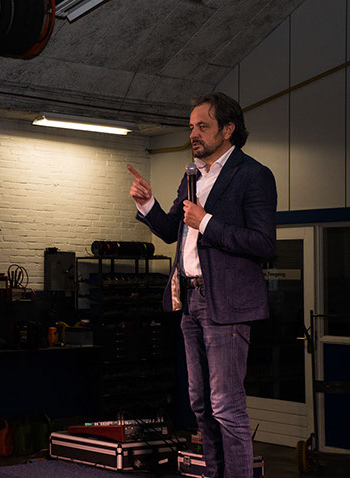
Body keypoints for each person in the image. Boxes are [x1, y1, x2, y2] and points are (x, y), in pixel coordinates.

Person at [127, 92, 277, 478]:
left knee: (226, 405)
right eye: (191, 127)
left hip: (225, 303)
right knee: (200, 404)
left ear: (228, 130)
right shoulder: (193, 176)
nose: (193, 133)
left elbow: (264, 243)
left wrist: (206, 222)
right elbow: (170, 230)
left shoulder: (253, 175)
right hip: (190, 300)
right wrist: (147, 204)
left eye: (203, 127)